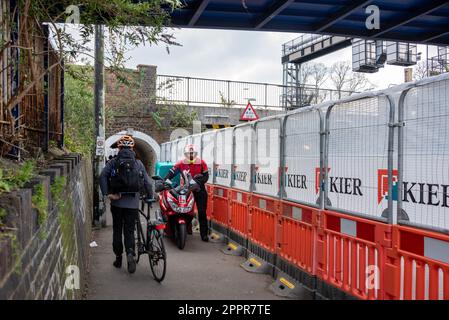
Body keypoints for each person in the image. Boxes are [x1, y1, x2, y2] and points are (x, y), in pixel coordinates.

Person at [99, 135, 153, 273]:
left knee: (117, 230)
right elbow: (147, 182)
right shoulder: (138, 163)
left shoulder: (113, 162)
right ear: (132, 148)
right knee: (129, 230)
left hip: (117, 202)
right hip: (133, 204)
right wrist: (150, 197)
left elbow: (103, 176)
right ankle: (130, 253)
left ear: (119, 148)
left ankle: (118, 258)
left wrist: (107, 194)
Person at [163, 144, 210, 241]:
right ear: (185, 154)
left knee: (202, 212)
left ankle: (204, 234)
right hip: (186, 191)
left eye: (193, 153)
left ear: (196, 153)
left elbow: (206, 177)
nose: (191, 155)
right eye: (189, 153)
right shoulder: (180, 163)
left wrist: (197, 182)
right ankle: (186, 228)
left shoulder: (202, 163)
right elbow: (171, 173)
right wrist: (165, 180)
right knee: (185, 210)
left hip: (199, 190)